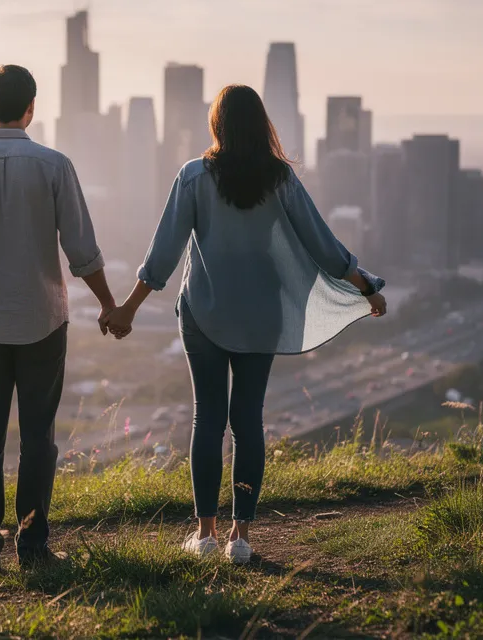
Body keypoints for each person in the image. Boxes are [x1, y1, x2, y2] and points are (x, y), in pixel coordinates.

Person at [104, 84, 387, 564]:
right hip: (262, 315)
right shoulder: (280, 179)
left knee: (207, 418)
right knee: (248, 420)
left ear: (217, 125)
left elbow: (164, 253)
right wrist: (366, 285)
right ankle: (241, 537)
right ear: (261, 125)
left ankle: (205, 534)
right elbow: (322, 243)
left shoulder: (193, 176)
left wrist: (128, 307)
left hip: (204, 313)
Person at [0, 64, 120, 575]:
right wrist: (107, 304)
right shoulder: (54, 165)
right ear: (31, 106)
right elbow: (82, 251)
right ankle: (33, 545)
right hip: (43, 320)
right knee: (38, 435)